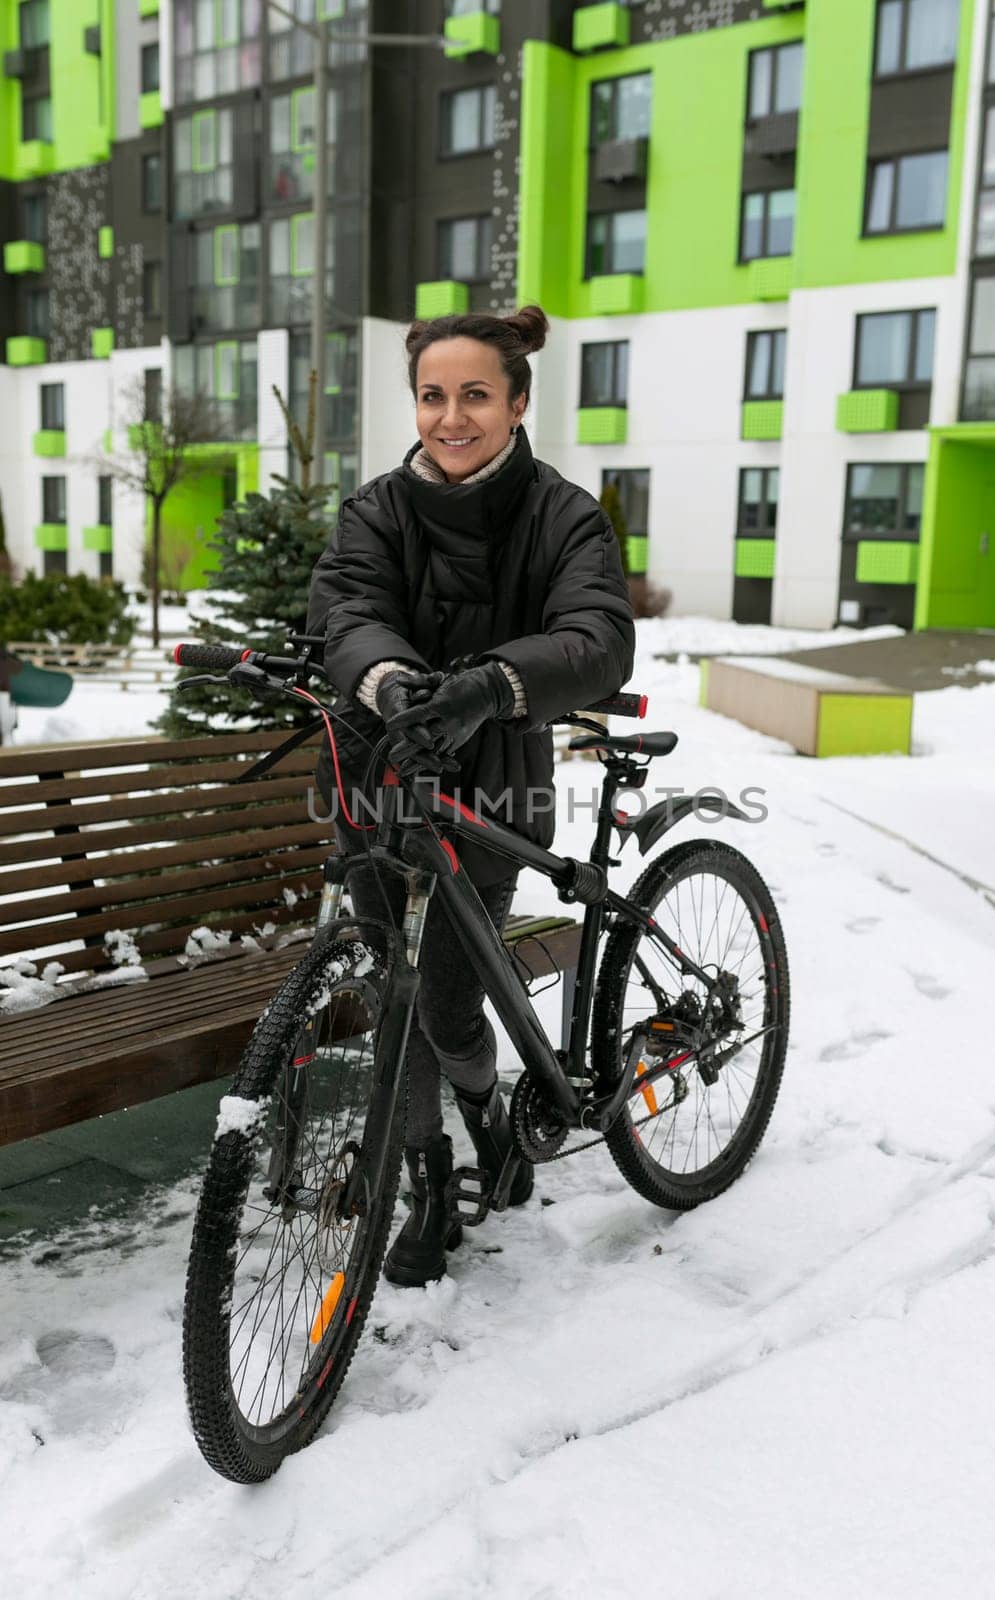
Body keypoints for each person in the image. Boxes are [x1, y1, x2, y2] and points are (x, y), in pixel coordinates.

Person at [307, 304, 635, 1288]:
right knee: (391, 994)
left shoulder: (562, 514)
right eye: (432, 396)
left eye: (475, 396)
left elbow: (597, 635)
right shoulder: (375, 509)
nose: (451, 417)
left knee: (448, 1003)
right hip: (377, 781)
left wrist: (493, 684)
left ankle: (490, 1123)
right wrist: (391, 681)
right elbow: (346, 607)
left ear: (517, 401)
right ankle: (426, 1178)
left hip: (492, 793)